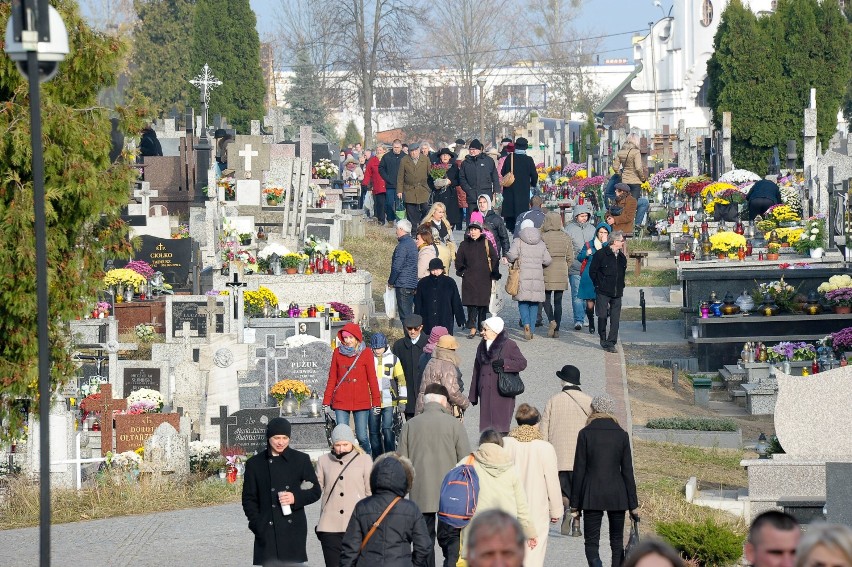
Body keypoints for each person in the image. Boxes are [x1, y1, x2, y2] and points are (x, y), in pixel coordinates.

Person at [398, 382, 472, 567]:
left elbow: (401, 462)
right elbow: (466, 460)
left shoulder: (410, 425)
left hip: (420, 491)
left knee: (424, 540)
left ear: (425, 401)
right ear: (443, 402)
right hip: (451, 493)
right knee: (451, 538)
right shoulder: (454, 424)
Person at [242, 417, 322, 566]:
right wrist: (257, 523)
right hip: (267, 529)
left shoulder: (301, 460)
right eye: (276, 437)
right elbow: (249, 499)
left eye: (285, 438)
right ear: (268, 437)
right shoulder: (255, 464)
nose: (281, 442)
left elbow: (315, 490)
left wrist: (295, 497)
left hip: (293, 529)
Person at [571, 394, 638, 567]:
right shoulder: (621, 435)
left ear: (594, 409)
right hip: (617, 494)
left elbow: (579, 470)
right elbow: (628, 471)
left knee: (591, 542)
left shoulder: (585, 433)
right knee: (617, 542)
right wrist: (633, 505)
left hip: (591, 494)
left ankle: (596, 564)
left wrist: (575, 504)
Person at [339, 453, 432, 567]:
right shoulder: (411, 508)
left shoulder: (362, 506)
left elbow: (350, 548)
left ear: (374, 478)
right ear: (403, 479)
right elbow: (424, 546)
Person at [460, 429, 537, 563]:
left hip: (476, 527)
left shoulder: (468, 462)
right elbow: (521, 505)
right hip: (505, 527)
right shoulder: (511, 467)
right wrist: (530, 532)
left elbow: (452, 487)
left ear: (481, 443)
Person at [502, 404, 562, 567]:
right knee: (534, 552)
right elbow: (552, 481)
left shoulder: (506, 443)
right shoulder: (545, 447)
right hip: (536, 507)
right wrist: (556, 509)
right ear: (536, 423)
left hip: (510, 505)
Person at [540, 364, 593, 536]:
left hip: (559, 456)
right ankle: (577, 525)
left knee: (564, 490)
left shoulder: (553, 400)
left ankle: (567, 510)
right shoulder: (588, 401)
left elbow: (543, 429)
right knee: (580, 490)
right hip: (581, 457)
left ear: (563, 381)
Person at [316, 424, 374, 567]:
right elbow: (316, 488)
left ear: (352, 443)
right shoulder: (323, 461)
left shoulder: (365, 459)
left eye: (345, 444)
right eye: (338, 445)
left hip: (357, 524)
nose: (341, 448)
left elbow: (370, 492)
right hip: (329, 526)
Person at [322, 323, 381, 456]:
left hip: (361, 399)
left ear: (357, 338)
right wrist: (326, 400)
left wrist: (376, 402)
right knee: (341, 436)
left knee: (362, 437)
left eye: (350, 337)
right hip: (341, 399)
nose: (347, 341)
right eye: (345, 338)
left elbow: (372, 379)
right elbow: (332, 378)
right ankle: (343, 463)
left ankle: (367, 463)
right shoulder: (337, 352)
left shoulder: (366, 352)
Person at [469, 316, 528, 434]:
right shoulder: (481, 345)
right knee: (486, 431)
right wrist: (473, 394)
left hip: (502, 392)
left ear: (495, 331)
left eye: (485, 330)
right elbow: (477, 369)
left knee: (501, 429)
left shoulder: (509, 344)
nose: (482, 332)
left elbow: (522, 363)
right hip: (485, 392)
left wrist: (505, 364)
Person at [506, 219, 552, 341]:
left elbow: (511, 255)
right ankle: (531, 329)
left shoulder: (518, 241)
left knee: (523, 302)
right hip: (537, 277)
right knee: (534, 303)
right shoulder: (541, 243)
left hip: (522, 275)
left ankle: (525, 323)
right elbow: (547, 260)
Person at [455, 220, 501, 339]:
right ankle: (472, 327)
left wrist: (493, 273)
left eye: (475, 229)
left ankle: (481, 327)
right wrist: (463, 272)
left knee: (482, 304)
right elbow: (458, 260)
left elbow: (495, 258)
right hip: (469, 279)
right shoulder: (464, 244)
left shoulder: (486, 243)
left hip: (484, 278)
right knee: (471, 304)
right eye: (471, 229)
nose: (473, 232)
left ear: (480, 231)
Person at [369, 333, 407, 458]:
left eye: (379, 347)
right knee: (374, 431)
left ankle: (391, 455)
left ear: (385, 346)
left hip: (389, 400)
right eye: (375, 348)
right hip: (372, 400)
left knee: (387, 428)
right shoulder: (368, 358)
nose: (377, 350)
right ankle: (377, 457)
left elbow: (401, 380)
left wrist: (402, 400)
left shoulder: (394, 359)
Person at [589, 230, 627, 353]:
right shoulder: (601, 254)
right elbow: (592, 271)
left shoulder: (621, 257)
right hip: (603, 290)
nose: (623, 243)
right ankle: (603, 337)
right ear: (615, 242)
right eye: (621, 241)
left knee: (615, 318)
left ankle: (611, 342)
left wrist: (621, 285)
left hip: (617, 292)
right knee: (602, 315)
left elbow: (622, 273)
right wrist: (598, 284)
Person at [415, 334, 468, 415]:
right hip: (439, 408)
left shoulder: (432, 361)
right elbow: (452, 392)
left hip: (424, 404)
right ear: (451, 350)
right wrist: (465, 402)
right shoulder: (447, 366)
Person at [540, 212, 574, 338]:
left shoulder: (544, 237)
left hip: (547, 269)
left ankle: (551, 320)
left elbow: (540, 255)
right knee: (558, 301)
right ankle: (557, 329)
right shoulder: (566, 237)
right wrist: (565, 267)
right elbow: (571, 257)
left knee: (545, 299)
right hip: (561, 270)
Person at [565, 204, 598, 331]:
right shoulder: (569, 229)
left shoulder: (592, 229)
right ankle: (578, 319)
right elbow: (567, 247)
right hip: (575, 266)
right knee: (576, 294)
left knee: (588, 293)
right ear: (576, 216)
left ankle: (586, 315)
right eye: (582, 216)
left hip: (590, 266)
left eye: (586, 216)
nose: (584, 218)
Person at [415, 258, 465, 336]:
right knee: (428, 342)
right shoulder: (423, 283)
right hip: (427, 318)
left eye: (437, 269)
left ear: (442, 269)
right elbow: (418, 303)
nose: (435, 272)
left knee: (444, 342)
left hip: (444, 317)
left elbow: (456, 301)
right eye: (433, 270)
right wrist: (417, 320)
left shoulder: (449, 282)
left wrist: (460, 319)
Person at [577, 222, 611, 337]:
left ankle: (603, 326)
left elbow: (611, 255)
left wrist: (606, 242)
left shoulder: (609, 245)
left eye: (605, 232)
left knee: (604, 304)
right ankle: (591, 322)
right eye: (601, 232)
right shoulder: (589, 244)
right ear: (597, 232)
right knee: (590, 304)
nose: (602, 234)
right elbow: (579, 258)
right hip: (589, 276)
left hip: (603, 277)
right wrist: (586, 253)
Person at [394, 314, 429, 421]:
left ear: (421, 327)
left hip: (426, 395)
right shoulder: (399, 346)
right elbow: (395, 372)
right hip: (408, 396)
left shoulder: (429, 343)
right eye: (409, 328)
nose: (412, 331)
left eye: (416, 328)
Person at [500, 137, 538, 233]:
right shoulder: (528, 160)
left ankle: (511, 229)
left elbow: (502, 171)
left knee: (511, 215)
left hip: (510, 191)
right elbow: (534, 175)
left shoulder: (510, 158)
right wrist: (532, 184)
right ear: (525, 147)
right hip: (523, 192)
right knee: (522, 214)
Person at [612, 133, 648, 231]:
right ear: (636, 141)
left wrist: (621, 175)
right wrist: (642, 178)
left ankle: (623, 224)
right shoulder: (636, 152)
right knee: (634, 204)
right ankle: (635, 227)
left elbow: (615, 167)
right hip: (635, 182)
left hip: (624, 182)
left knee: (624, 203)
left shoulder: (620, 152)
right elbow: (638, 167)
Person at [460, 139, 500, 223]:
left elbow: (495, 176)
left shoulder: (488, 161)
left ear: (479, 150)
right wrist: (468, 189)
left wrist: (497, 190)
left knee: (486, 219)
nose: (472, 151)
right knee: (473, 220)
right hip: (472, 195)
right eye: (470, 149)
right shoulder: (465, 163)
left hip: (486, 194)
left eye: (474, 149)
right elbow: (462, 179)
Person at [388, 219, 419, 327]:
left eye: (397, 229)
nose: (396, 231)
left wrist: (391, 281)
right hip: (411, 282)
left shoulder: (402, 246)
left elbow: (397, 267)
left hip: (403, 283)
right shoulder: (412, 243)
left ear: (401, 229)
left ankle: (410, 340)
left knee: (405, 316)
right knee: (409, 314)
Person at [398, 142, 431, 227]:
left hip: (422, 188)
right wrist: (399, 191)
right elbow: (400, 176)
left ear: (419, 150)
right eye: (411, 151)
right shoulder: (404, 160)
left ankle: (421, 224)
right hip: (409, 189)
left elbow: (430, 174)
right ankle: (413, 230)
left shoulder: (425, 159)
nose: (413, 153)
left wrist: (430, 187)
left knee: (425, 209)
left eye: (415, 151)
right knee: (411, 211)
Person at [428, 149, 462, 230]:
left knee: (451, 220)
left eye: (447, 155)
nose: (445, 156)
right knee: (438, 218)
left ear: (450, 157)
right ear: (440, 156)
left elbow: (459, 180)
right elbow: (429, 180)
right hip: (439, 195)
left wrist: (450, 182)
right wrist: (435, 185)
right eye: (443, 155)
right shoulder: (435, 166)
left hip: (451, 195)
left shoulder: (454, 167)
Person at [380, 139, 405, 227]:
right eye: (395, 147)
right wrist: (387, 178)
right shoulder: (386, 156)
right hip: (390, 185)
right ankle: (390, 220)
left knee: (400, 204)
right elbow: (381, 168)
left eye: (398, 147)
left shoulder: (405, 157)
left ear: (401, 147)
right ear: (392, 147)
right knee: (389, 203)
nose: (396, 149)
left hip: (401, 186)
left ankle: (400, 222)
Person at [477, 194, 511, 258]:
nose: (482, 204)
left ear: (488, 203)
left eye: (484, 202)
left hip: (494, 254)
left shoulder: (496, 219)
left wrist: (505, 255)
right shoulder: (475, 218)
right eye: (480, 202)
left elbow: (504, 238)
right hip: (478, 255)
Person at [364, 145, 388, 225]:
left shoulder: (388, 159)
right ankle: (379, 219)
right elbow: (368, 172)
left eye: (380, 150)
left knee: (386, 203)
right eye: (377, 150)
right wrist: (365, 183)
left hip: (387, 185)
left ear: (384, 151)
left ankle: (386, 219)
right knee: (378, 203)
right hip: (377, 185)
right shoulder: (373, 160)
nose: (378, 151)